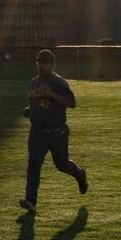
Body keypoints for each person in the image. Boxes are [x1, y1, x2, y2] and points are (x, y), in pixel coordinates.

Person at [20, 49, 87, 211]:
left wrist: (51, 93)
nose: (41, 66)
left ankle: (80, 174)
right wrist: (30, 110)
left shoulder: (59, 83)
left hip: (57, 132)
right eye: (39, 62)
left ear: (52, 64)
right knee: (33, 165)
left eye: (44, 63)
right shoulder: (34, 82)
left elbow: (71, 103)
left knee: (62, 165)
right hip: (37, 132)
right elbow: (38, 103)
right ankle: (31, 201)